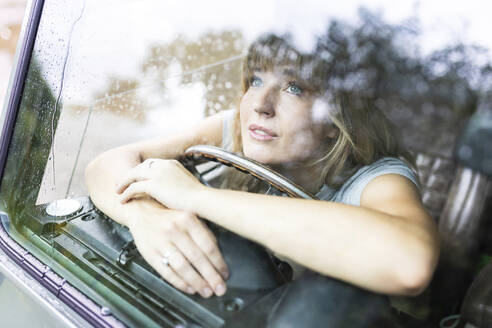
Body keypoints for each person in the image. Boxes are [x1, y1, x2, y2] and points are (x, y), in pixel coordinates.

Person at [85, 34, 439, 302]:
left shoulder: (378, 178)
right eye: (255, 80)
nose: (260, 105)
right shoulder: (243, 130)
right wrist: (144, 217)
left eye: (294, 88)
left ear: (335, 118)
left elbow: (409, 262)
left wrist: (194, 196)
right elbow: (108, 163)